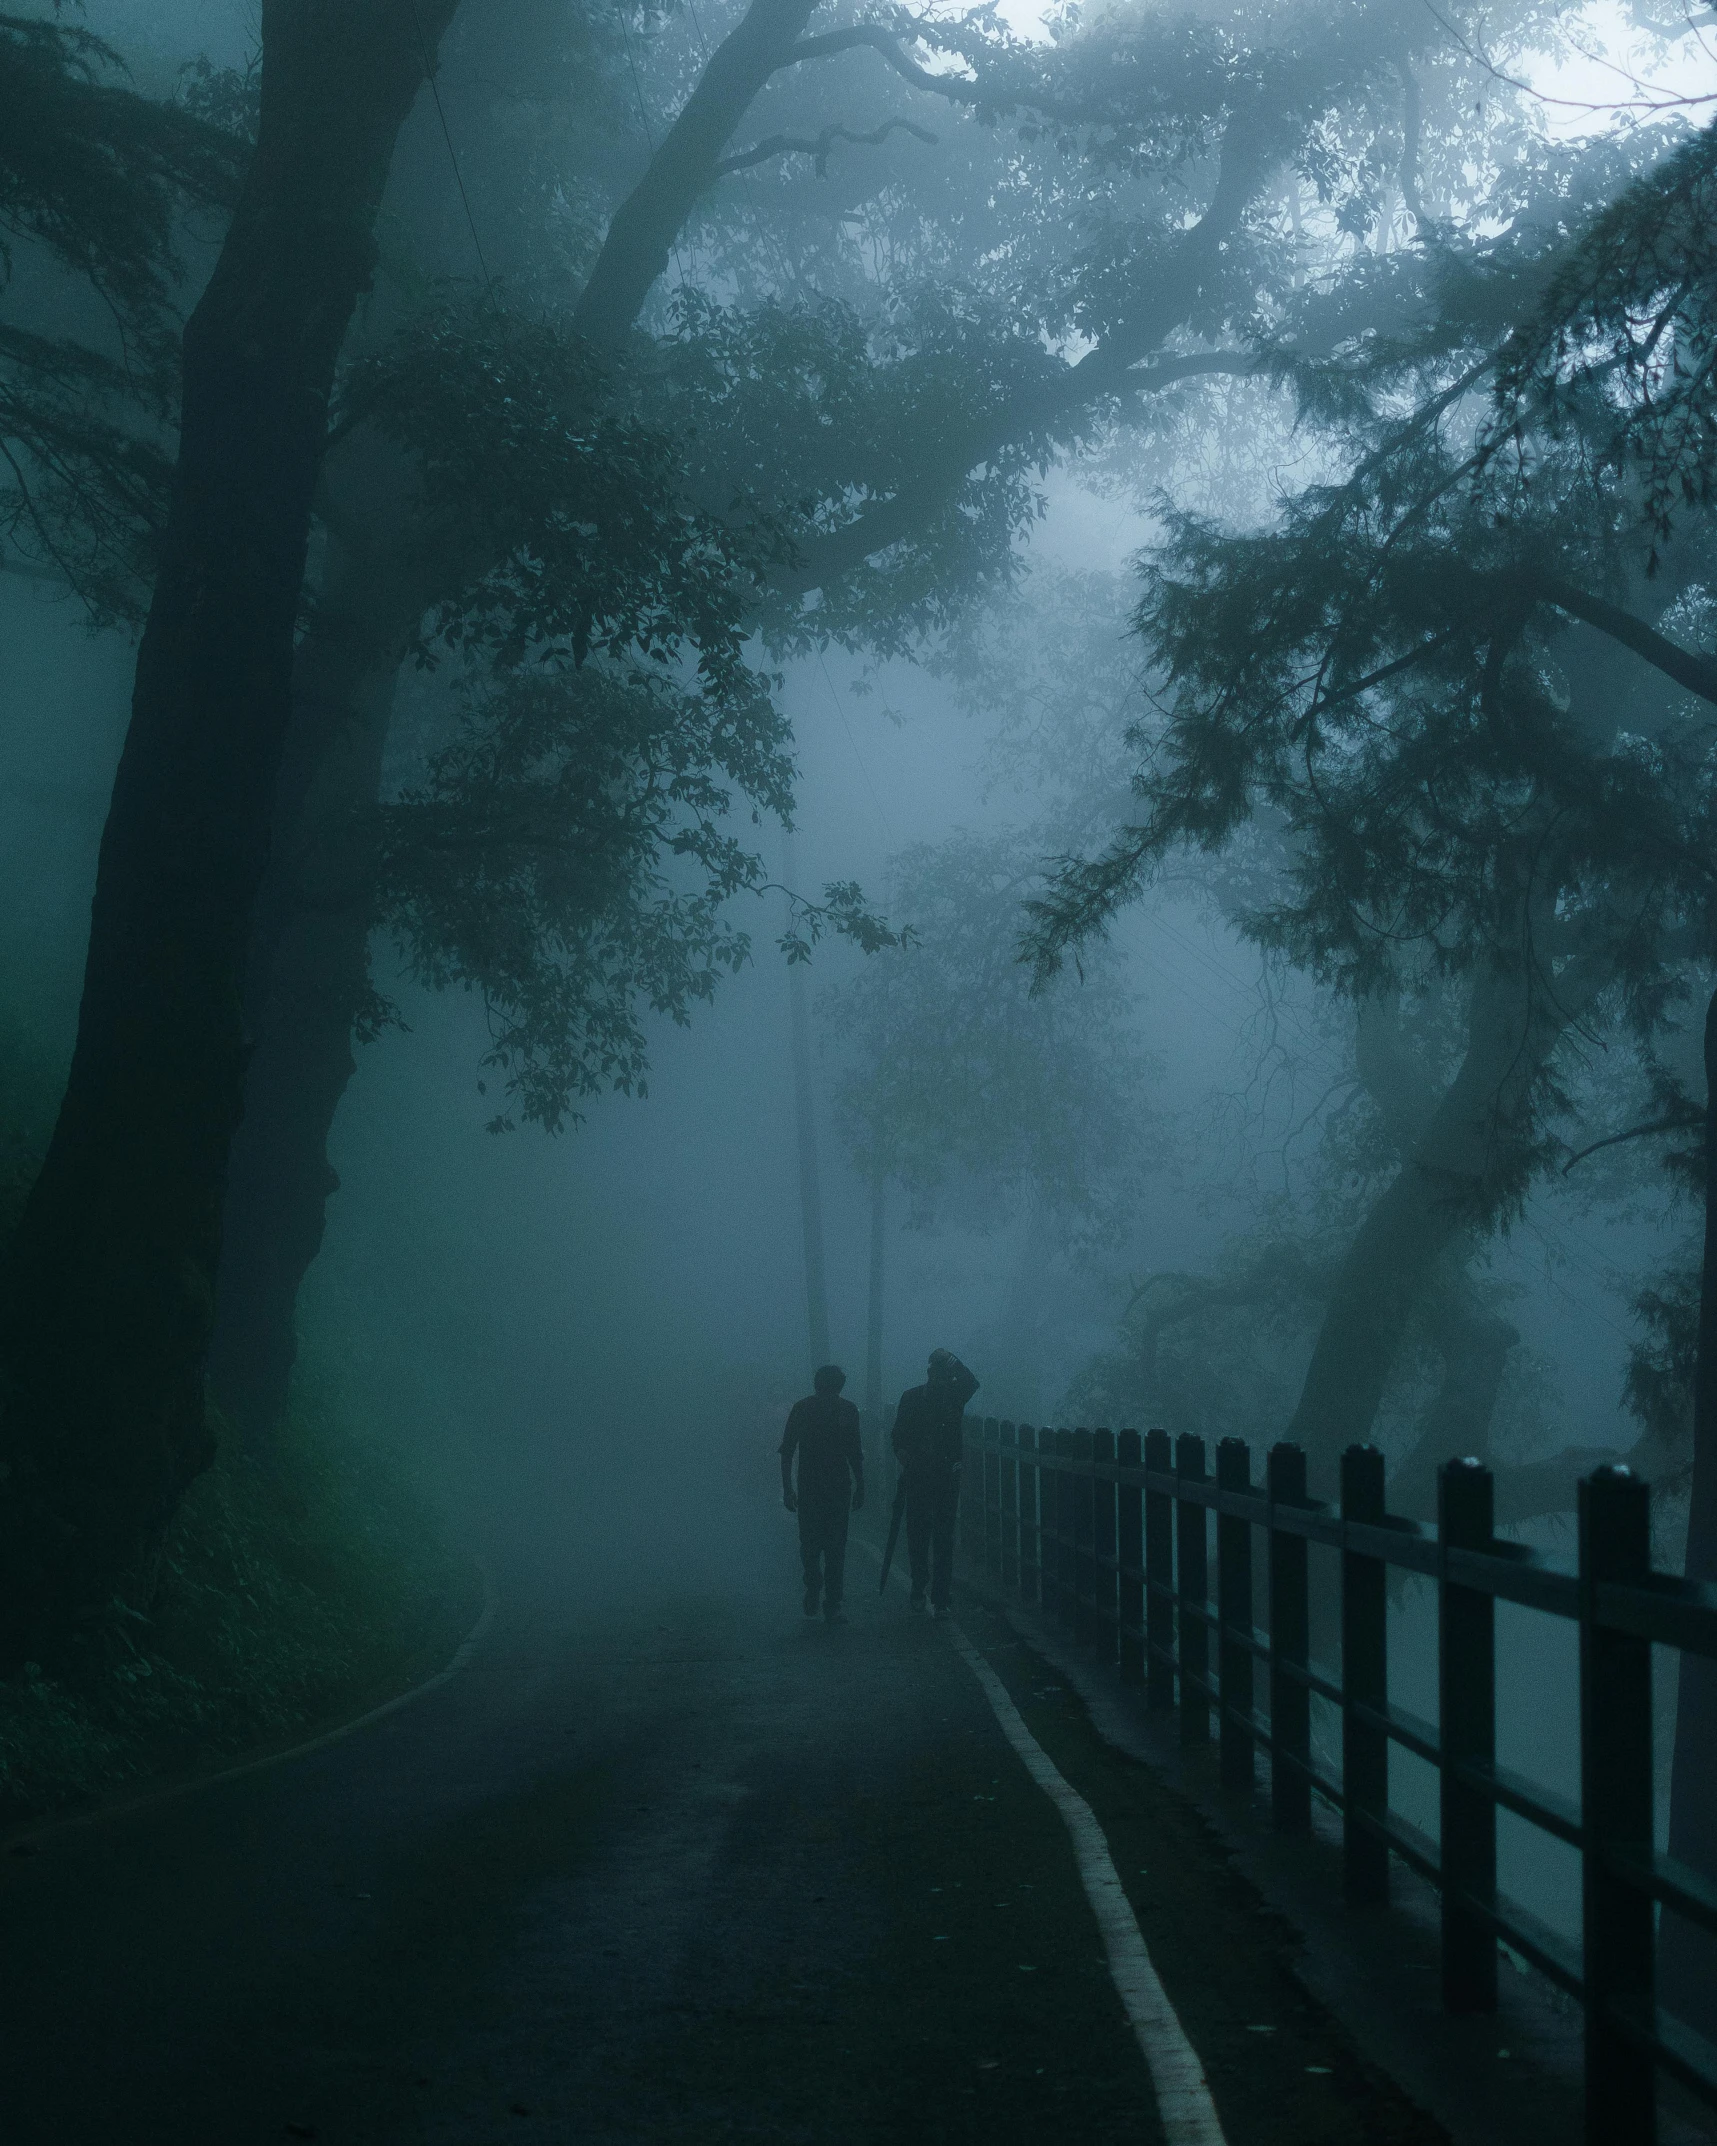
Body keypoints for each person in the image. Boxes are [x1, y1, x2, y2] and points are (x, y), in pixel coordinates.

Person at [889, 1348, 979, 1618]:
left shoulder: (954, 1397)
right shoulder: (912, 1397)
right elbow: (898, 1435)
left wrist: (951, 1358)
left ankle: (940, 1596)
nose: (941, 1378)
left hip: (946, 1476)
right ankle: (919, 1585)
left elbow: (972, 1383)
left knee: (943, 1537)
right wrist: (903, 1454)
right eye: (938, 1373)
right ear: (929, 1374)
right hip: (918, 1475)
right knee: (918, 1534)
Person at [780, 1364, 865, 1624]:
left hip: (814, 1488)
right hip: (832, 1488)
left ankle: (821, 1591)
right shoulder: (845, 1410)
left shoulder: (804, 1408)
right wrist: (861, 1485)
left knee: (814, 1545)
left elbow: (787, 1452)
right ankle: (830, 1599)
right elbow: (854, 1453)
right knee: (832, 1547)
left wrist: (788, 1488)